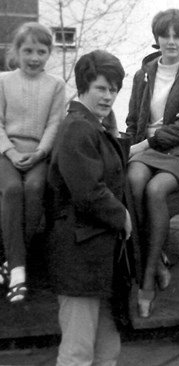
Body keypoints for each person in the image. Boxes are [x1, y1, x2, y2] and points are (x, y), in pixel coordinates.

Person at [46, 50, 132, 366]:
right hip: (78, 255)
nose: (108, 96)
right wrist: (121, 215)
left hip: (97, 258)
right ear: (84, 86)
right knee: (78, 352)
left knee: (106, 348)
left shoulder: (92, 126)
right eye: (101, 88)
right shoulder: (77, 127)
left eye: (113, 89)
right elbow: (88, 191)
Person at [125, 8, 179, 318]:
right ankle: (155, 255)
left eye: (178, 35)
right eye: (166, 35)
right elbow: (134, 118)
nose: (171, 41)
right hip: (147, 148)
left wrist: (146, 143)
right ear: (157, 38)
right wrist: (133, 144)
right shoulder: (143, 73)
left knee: (155, 191)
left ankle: (146, 280)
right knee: (133, 181)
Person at [0, 22, 66, 303]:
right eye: (28, 50)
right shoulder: (3, 81)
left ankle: (12, 262)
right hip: (5, 152)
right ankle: (18, 269)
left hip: (39, 153)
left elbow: (54, 124)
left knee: (35, 187)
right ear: (17, 51)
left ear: (49, 53)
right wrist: (11, 153)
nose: (34, 57)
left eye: (41, 51)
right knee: (13, 190)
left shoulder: (56, 85)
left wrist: (40, 153)